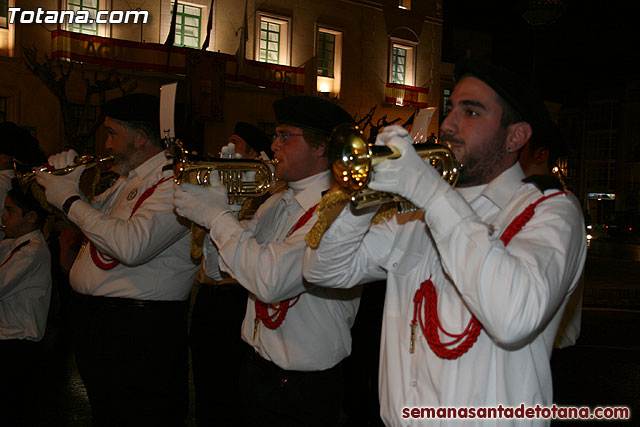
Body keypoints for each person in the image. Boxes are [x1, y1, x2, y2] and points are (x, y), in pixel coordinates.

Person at [303, 58, 587, 426]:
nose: (449, 124)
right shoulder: (415, 213)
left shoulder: (551, 211)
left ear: (515, 136)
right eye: (452, 107)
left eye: (471, 112)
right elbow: (322, 270)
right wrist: (366, 190)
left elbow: (515, 315)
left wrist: (431, 193)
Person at [174, 95, 360, 427]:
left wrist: (218, 218)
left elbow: (271, 281)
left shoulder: (341, 212)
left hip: (305, 388)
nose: (274, 145)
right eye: (276, 135)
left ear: (321, 147)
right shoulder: (275, 203)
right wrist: (226, 207)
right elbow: (219, 270)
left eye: (285, 135)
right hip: (256, 367)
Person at [35, 93, 198, 427]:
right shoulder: (128, 179)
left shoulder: (179, 183)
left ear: (140, 137)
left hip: (141, 333)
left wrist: (69, 199)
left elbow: (131, 246)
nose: (106, 144)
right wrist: (69, 183)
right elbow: (93, 227)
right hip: (105, 325)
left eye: (112, 134)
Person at [189, 121, 274, 426]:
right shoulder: (222, 185)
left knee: (230, 396)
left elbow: (237, 259)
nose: (227, 148)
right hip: (209, 298)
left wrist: (230, 208)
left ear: (254, 154)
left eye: (235, 143)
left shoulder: (267, 197)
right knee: (207, 393)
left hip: (237, 298)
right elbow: (206, 257)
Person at [518, 124, 583, 350]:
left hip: (551, 346)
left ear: (541, 153)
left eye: (521, 147)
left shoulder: (556, 204)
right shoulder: (530, 197)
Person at [0, 179, 52, 426]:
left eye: (9, 210)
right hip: (8, 340)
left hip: (18, 344)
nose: (3, 215)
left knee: (16, 411)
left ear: (31, 217)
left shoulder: (32, 250)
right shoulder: (12, 243)